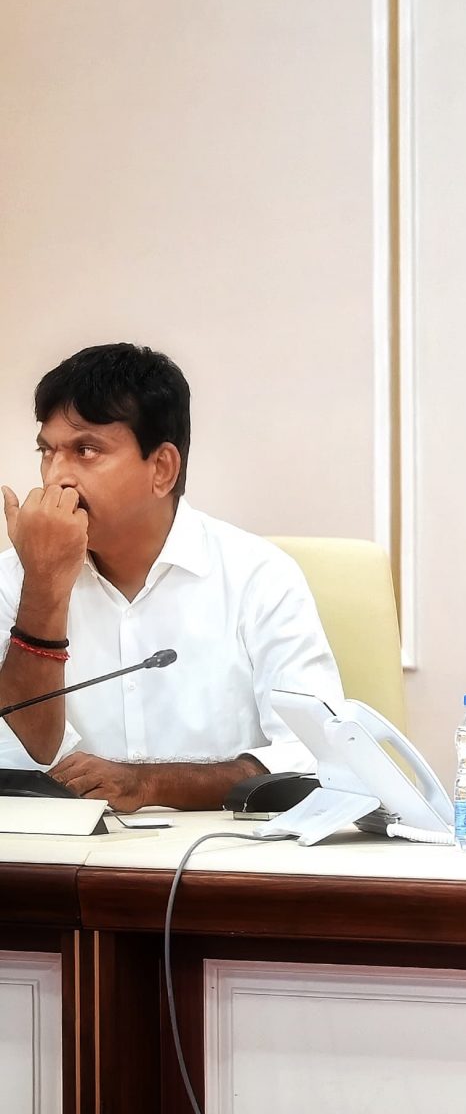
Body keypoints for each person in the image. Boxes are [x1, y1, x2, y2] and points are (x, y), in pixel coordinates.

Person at [0, 343, 342, 811]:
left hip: (223, 848)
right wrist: (43, 585)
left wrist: (148, 785)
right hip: (64, 851)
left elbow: (314, 758)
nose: (56, 478)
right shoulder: (15, 577)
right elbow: (21, 759)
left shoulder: (259, 577)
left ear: (162, 468)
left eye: (86, 450)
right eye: (47, 451)